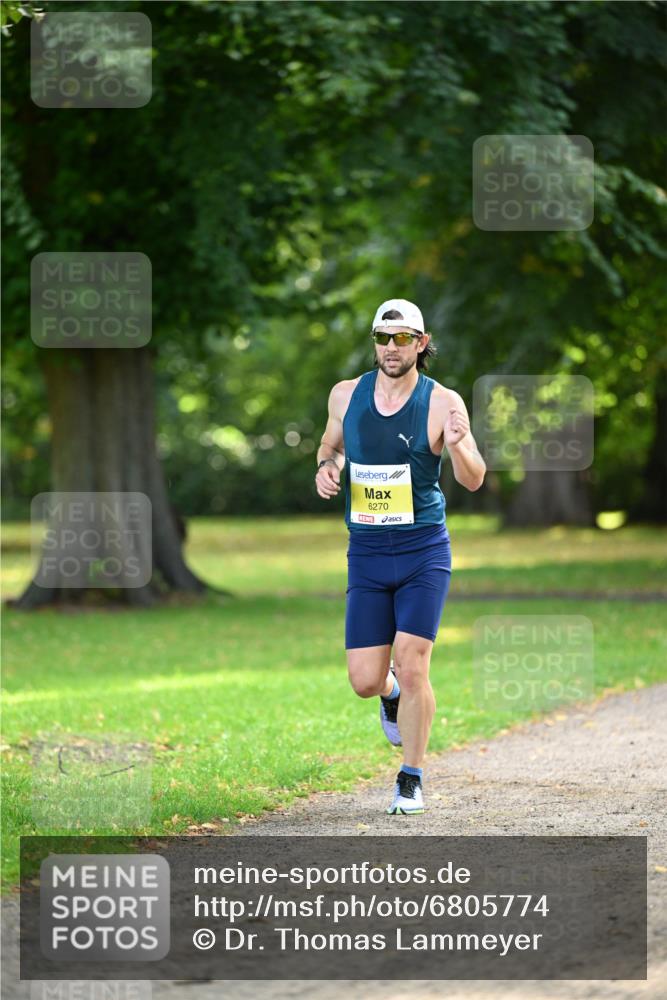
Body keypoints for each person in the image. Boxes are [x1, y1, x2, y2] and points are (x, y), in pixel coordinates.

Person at [315, 298, 486, 815]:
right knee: (366, 680)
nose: (392, 348)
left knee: (413, 664)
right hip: (366, 552)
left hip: (422, 551)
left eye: (403, 338)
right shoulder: (346, 395)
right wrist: (328, 466)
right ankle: (388, 695)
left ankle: (410, 777)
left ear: (422, 342)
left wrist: (457, 446)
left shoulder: (442, 401)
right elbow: (332, 444)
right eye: (383, 338)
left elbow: (474, 478)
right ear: (375, 342)